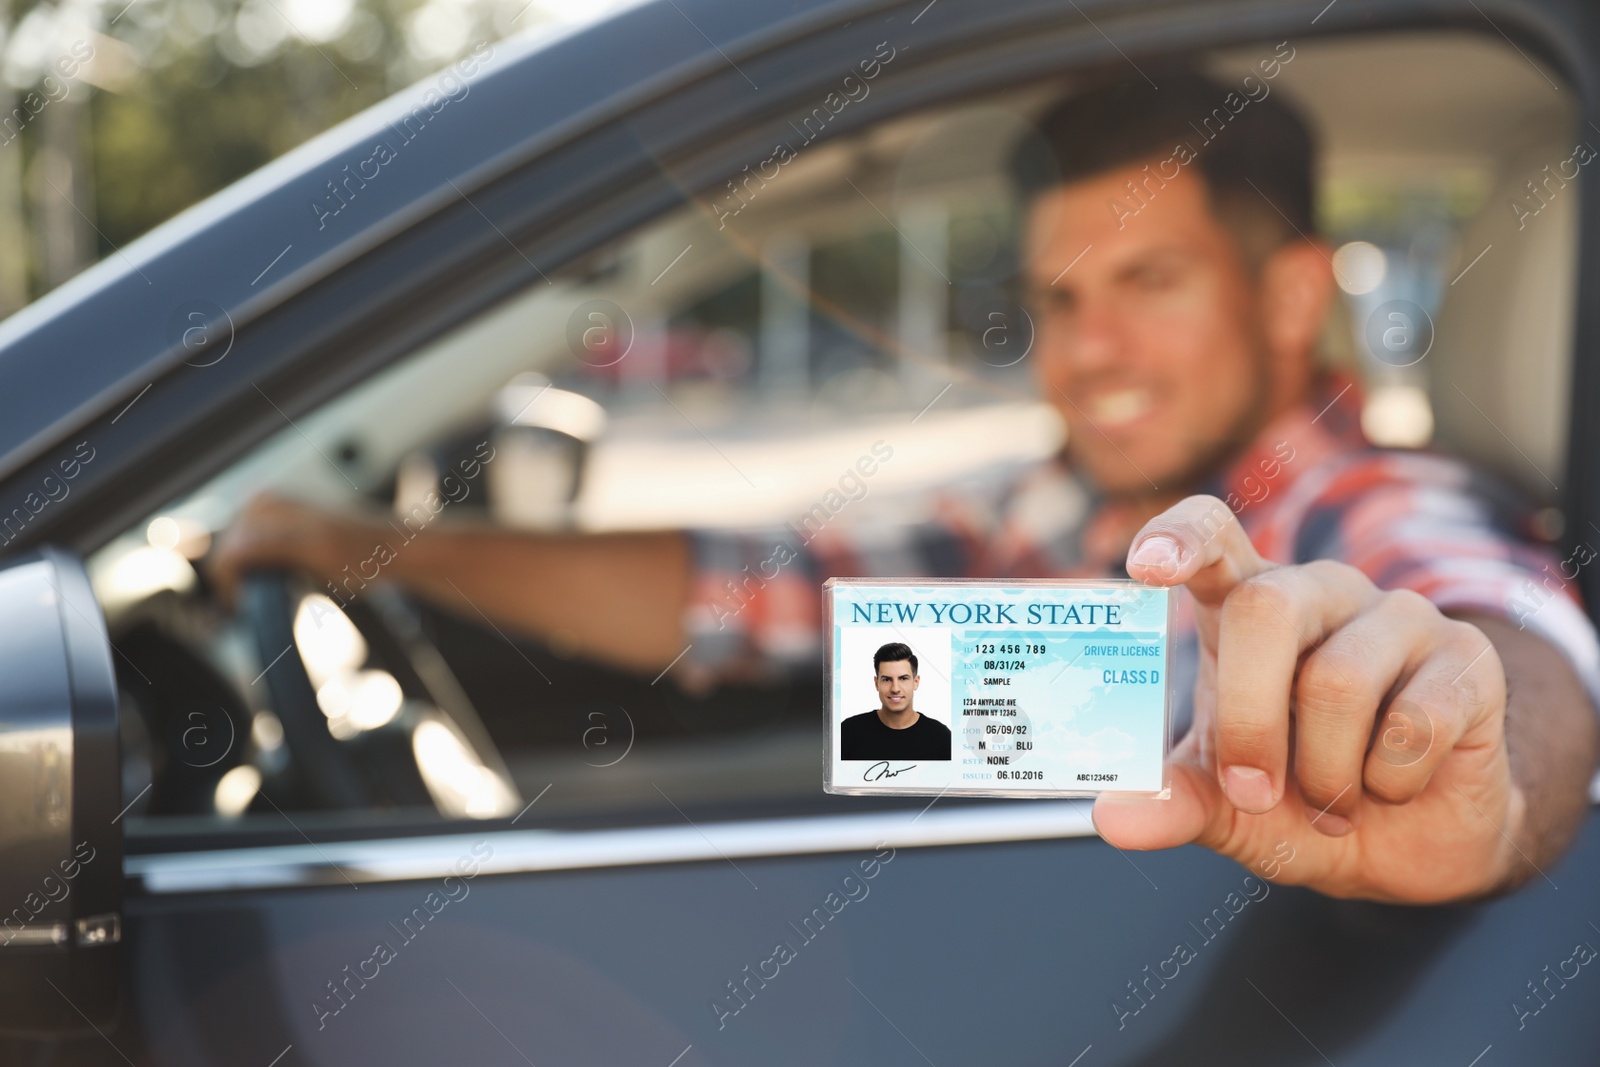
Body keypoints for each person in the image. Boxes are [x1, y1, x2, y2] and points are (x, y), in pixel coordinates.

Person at [212, 71, 1600, 904]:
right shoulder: (1054, 512)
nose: (1086, 347)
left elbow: (1503, 640)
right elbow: (749, 593)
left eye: (1148, 283)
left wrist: (1489, 770)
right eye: (1058, 297)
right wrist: (372, 548)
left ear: (1293, 295)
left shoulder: (1362, 510)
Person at [840, 643, 951, 761]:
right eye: (887, 679)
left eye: (903, 678)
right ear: (877, 683)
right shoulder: (848, 732)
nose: (895, 689)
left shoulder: (941, 737)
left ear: (916, 682)